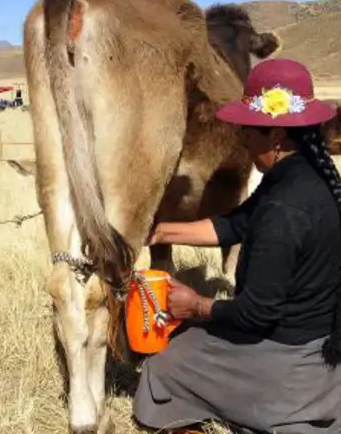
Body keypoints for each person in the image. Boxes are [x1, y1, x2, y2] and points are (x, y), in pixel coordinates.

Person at [132, 58, 341, 434]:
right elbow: (233, 225)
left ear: (275, 137)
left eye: (248, 129)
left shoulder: (284, 210)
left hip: (287, 361)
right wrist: (159, 233)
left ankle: (273, 411)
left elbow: (256, 313)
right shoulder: (303, 177)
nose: (242, 137)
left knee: (162, 365)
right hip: (316, 346)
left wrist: (195, 305)